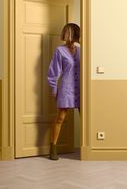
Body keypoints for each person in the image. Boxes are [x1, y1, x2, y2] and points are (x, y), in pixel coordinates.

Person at [47, 23, 80, 160]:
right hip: (66, 88)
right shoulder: (59, 50)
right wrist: (54, 89)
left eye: (72, 33)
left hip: (81, 89)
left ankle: (89, 147)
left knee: (86, 119)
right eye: (67, 33)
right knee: (60, 118)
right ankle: (53, 148)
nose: (69, 36)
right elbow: (53, 72)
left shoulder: (82, 50)